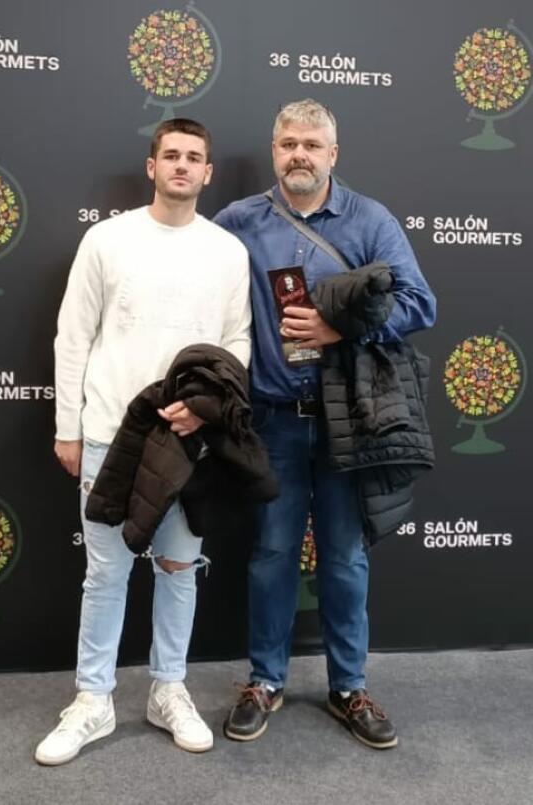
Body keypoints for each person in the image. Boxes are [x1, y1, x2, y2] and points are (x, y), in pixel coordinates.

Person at [214, 99, 435, 749]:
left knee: (343, 558)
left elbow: (420, 301)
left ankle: (349, 687)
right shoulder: (237, 222)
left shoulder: (371, 220)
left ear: (332, 154)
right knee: (273, 555)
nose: (299, 154)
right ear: (274, 150)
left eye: (312, 143)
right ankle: (264, 680)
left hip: (352, 421)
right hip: (273, 422)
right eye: (288, 143)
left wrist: (342, 327)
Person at [35, 118, 251, 764]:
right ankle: (93, 700)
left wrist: (207, 412)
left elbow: (237, 344)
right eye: (172, 155)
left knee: (180, 569)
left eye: (195, 158)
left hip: (190, 444)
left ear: (208, 172)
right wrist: (67, 428)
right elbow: (72, 335)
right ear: (152, 165)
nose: (183, 166)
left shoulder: (227, 252)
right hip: (108, 435)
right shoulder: (107, 239)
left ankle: (168, 688)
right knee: (105, 574)